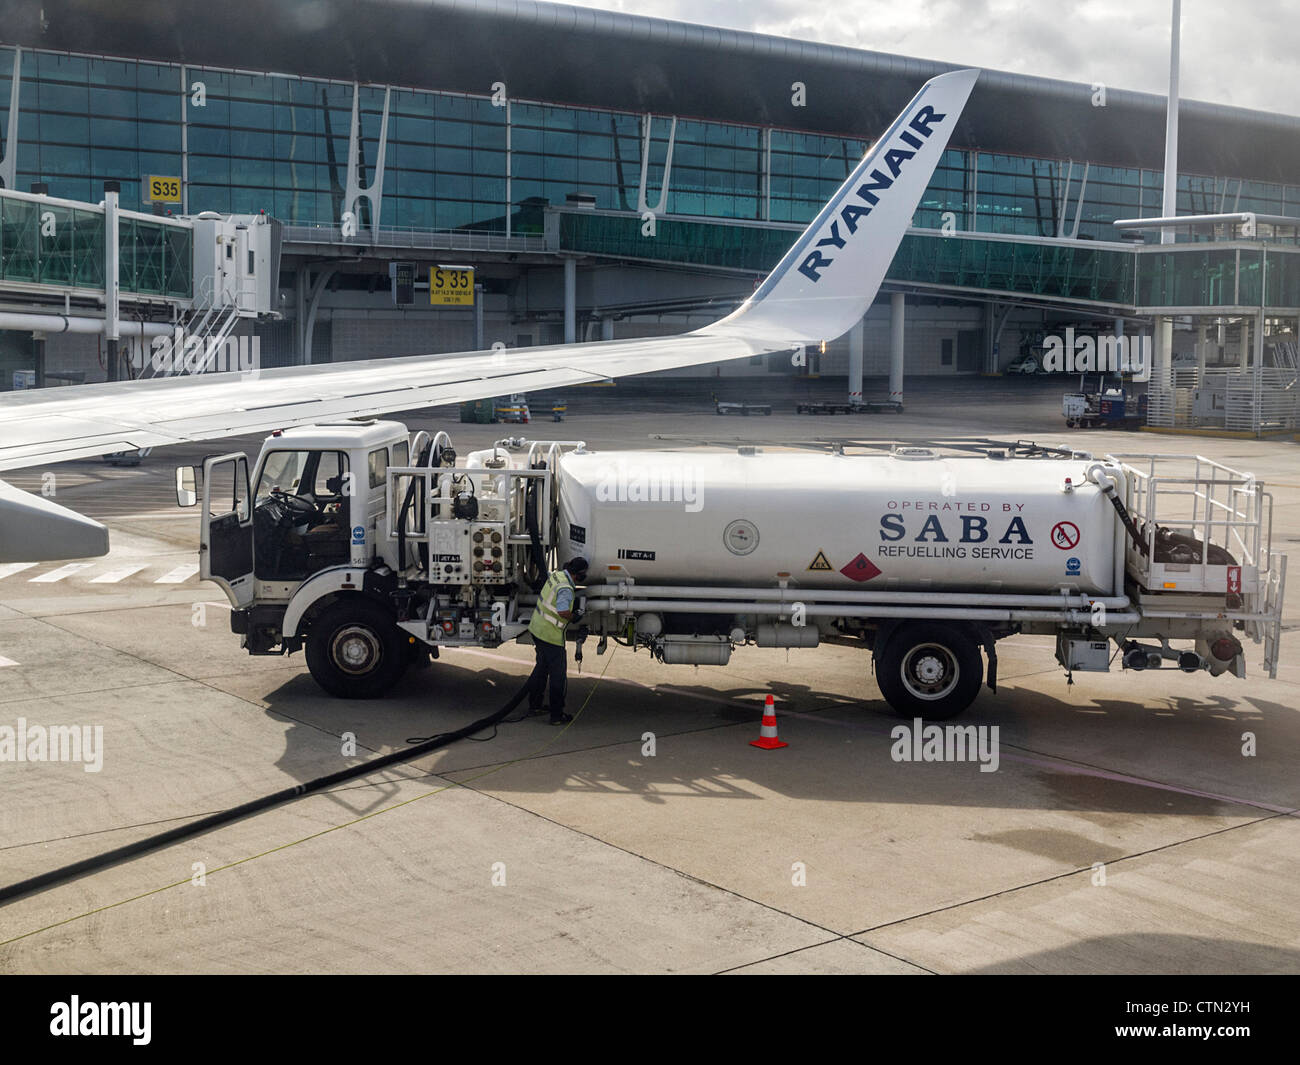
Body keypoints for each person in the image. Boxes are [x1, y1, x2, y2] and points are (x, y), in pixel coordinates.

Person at [526, 557, 588, 724]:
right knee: (558, 677)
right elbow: (562, 611)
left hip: (537, 629)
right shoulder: (566, 589)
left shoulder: (557, 576)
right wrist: (575, 616)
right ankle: (556, 715)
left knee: (541, 669)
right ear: (579, 576)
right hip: (551, 636)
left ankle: (535, 705)